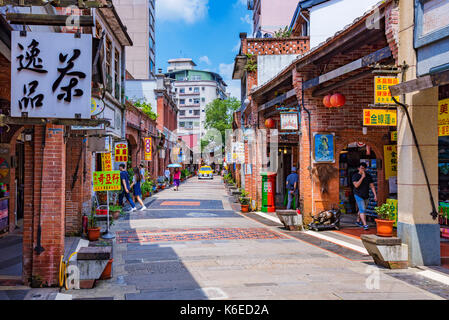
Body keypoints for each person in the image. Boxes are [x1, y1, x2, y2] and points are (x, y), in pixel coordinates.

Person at [352, 162, 378, 230]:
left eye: (364, 168)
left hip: (366, 195)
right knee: (362, 210)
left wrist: (375, 195)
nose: (363, 170)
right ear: (358, 168)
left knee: (362, 209)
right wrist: (362, 177)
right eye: (361, 168)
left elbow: (372, 186)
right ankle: (365, 224)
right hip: (358, 194)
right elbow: (356, 185)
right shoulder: (355, 176)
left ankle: (358, 220)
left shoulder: (368, 176)